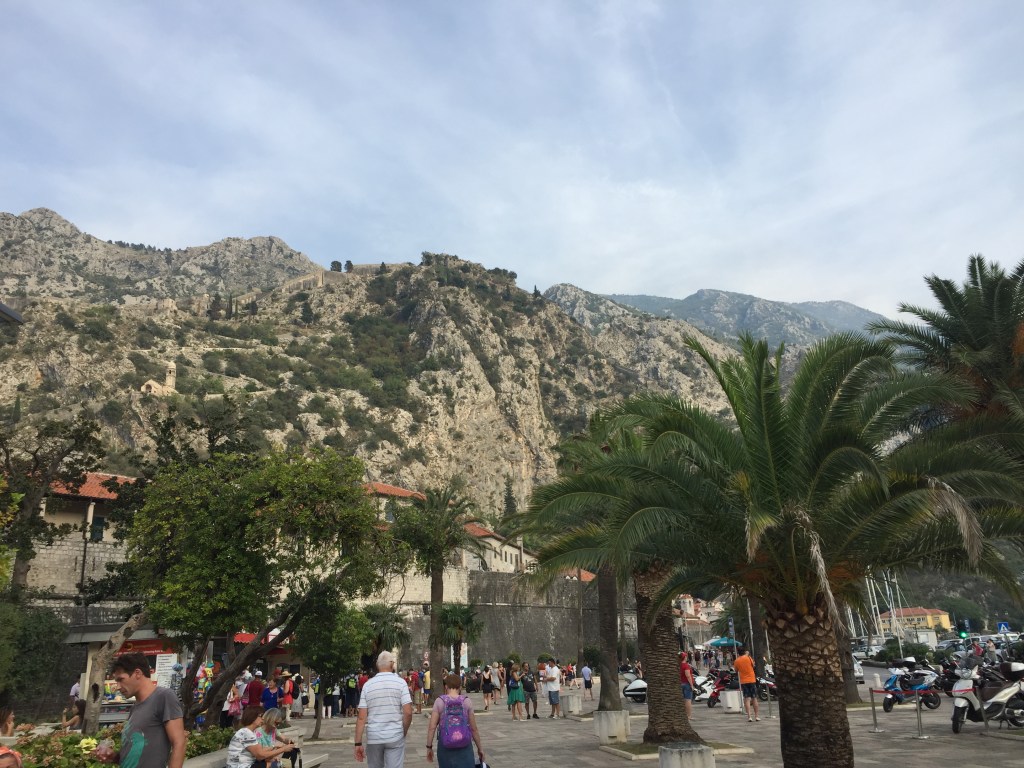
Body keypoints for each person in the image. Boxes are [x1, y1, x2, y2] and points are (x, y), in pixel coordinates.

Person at [104, 652, 186, 768]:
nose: (117, 686)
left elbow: (179, 743)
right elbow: (134, 757)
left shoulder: (164, 696)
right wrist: (113, 756)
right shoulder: (134, 708)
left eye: (121, 679)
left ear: (137, 673)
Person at [354, 651, 412, 768]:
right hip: (395, 735)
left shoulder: (368, 685)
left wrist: (358, 742)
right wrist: (403, 730)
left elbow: (361, 717)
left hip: (374, 736)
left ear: (377, 665)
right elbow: (408, 712)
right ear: (392, 664)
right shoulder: (401, 683)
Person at [426, 674, 485, 768]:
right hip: (465, 745)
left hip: (445, 744)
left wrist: (429, 747)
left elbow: (432, 728)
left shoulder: (439, 701)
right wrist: (480, 748)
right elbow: (474, 729)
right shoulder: (466, 701)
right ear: (460, 687)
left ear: (446, 686)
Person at [733, 649, 759, 722]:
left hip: (744, 681)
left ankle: (749, 717)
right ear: (744, 652)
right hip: (752, 680)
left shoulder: (737, 661)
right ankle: (756, 716)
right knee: (754, 698)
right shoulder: (749, 658)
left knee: (747, 699)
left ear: (738, 653)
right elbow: (753, 665)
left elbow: (736, 670)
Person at [678, 652, 696, 721]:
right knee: (688, 700)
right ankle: (688, 716)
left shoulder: (679, 665)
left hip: (681, 683)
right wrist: (691, 685)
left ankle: (684, 715)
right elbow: (688, 676)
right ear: (685, 657)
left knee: (683, 700)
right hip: (686, 684)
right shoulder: (686, 666)